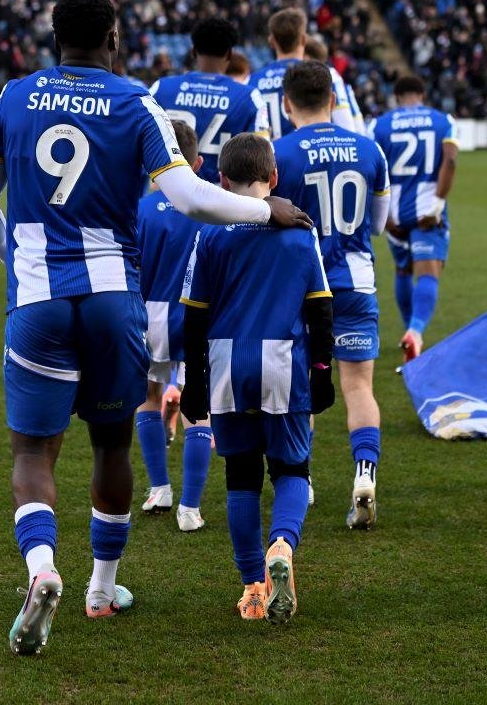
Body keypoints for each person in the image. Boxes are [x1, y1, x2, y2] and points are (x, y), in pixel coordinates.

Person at [0, 0, 311, 656]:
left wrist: (21, 262)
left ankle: (42, 569)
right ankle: (101, 588)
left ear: (55, 37)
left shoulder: (14, 96)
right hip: (112, 298)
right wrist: (265, 209)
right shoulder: (135, 101)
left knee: (32, 453)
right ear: (114, 38)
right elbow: (187, 197)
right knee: (111, 445)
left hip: (37, 295)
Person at [179, 133, 335, 624]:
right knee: (292, 470)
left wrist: (194, 382)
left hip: (227, 366)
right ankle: (282, 546)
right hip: (283, 366)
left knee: (241, 477)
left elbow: (194, 318)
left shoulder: (209, 234)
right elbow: (321, 311)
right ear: (274, 178)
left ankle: (251, 588)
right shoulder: (300, 232)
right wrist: (323, 372)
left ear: (222, 181)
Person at [273, 61, 389, 529]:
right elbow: (378, 225)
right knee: (358, 386)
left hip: (302, 284)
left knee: (301, 383)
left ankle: (302, 478)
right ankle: (364, 475)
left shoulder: (278, 153)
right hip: (355, 280)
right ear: (334, 100)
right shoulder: (369, 149)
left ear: (286, 104)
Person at [135, 120, 213, 532]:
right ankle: (190, 508)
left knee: (147, 397)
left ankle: (159, 488)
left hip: (150, 316)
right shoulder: (211, 207)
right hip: (198, 315)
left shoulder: (141, 210)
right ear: (197, 164)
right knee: (198, 410)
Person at [373, 74, 459, 363]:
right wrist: (437, 205)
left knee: (403, 271)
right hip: (427, 212)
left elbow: (370, 167)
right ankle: (415, 331)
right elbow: (450, 159)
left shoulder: (379, 124)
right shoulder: (443, 120)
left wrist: (382, 216)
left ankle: (409, 332)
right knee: (428, 272)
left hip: (394, 212)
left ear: (397, 97)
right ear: (422, 95)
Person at [148, 17, 269, 185]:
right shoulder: (249, 98)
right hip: (222, 196)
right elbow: (261, 161)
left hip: (168, 194)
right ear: (230, 54)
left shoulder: (160, 89)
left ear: (193, 51)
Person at [247, 7, 358, 140]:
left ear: (271, 41)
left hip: (269, 152)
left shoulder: (252, 81)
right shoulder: (326, 75)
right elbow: (347, 130)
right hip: (311, 151)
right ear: (304, 39)